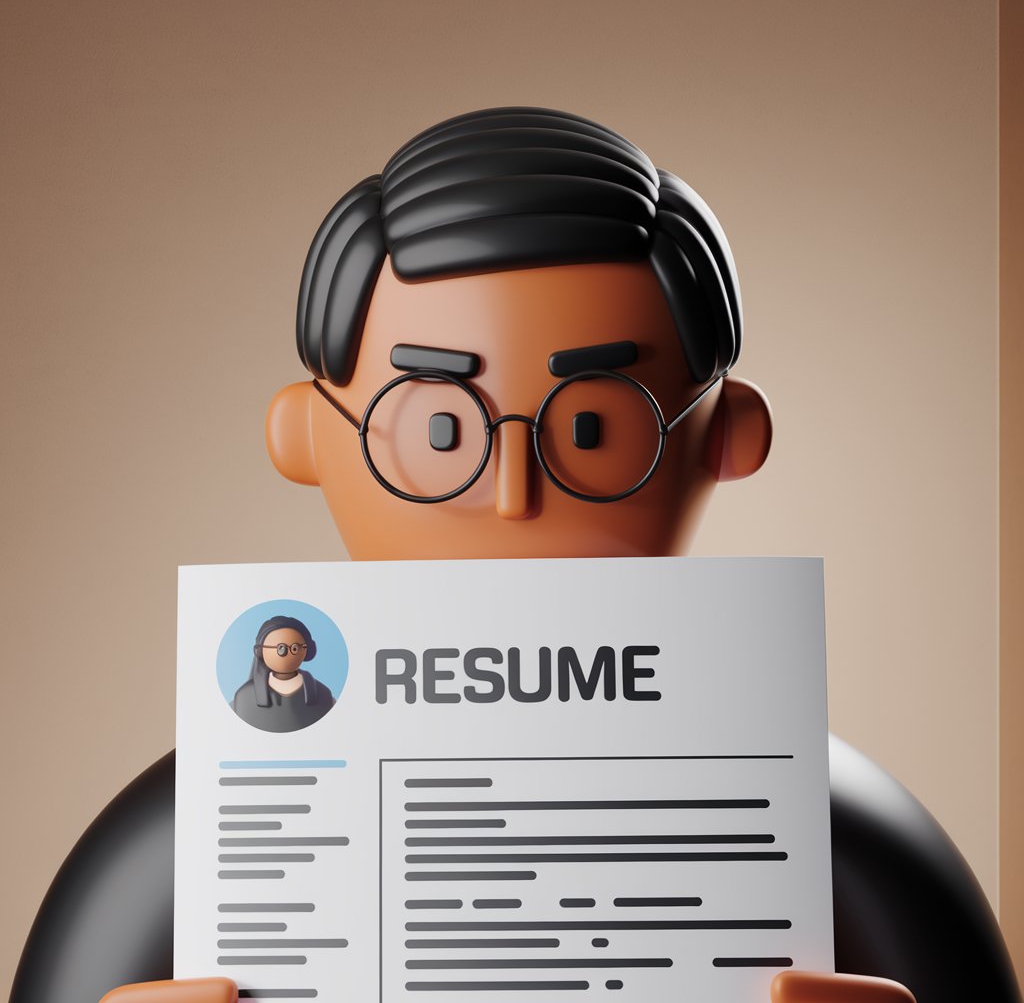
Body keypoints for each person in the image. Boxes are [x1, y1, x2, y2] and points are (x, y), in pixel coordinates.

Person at [11, 107, 1018, 1003]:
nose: (510, 490)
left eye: (591, 430)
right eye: (439, 430)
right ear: (305, 436)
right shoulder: (193, 840)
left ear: (727, 437)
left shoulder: (842, 839)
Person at [231, 616, 335, 733]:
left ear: (306, 650)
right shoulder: (243, 697)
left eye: (295, 648)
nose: (288, 653)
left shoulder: (323, 695)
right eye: (281, 649)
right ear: (260, 651)